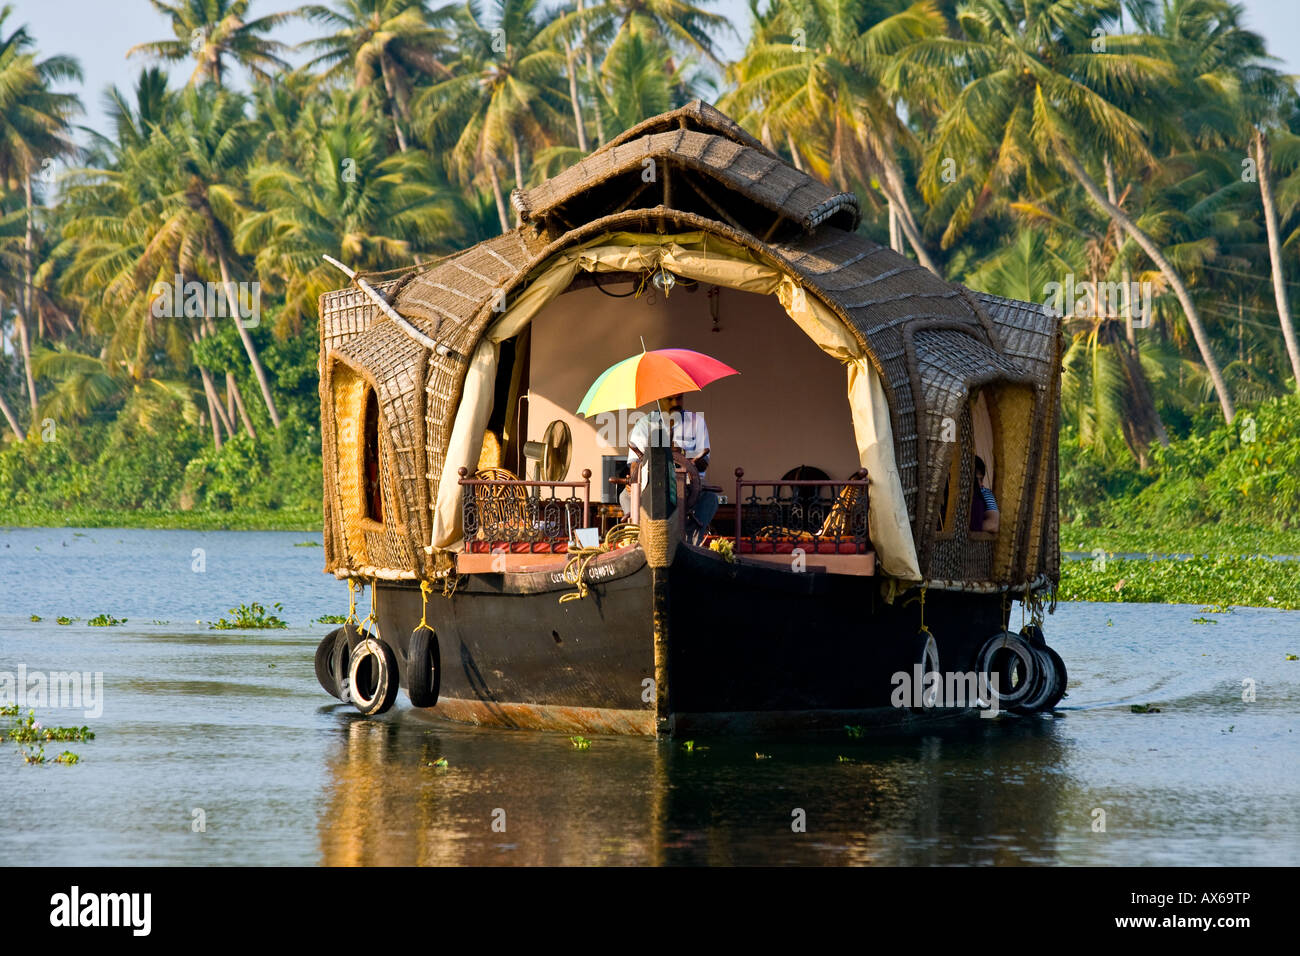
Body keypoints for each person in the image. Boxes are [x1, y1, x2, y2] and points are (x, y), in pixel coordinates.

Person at [620, 393, 719, 541]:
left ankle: (691, 540)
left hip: (690, 483)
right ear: (658, 400)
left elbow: (704, 464)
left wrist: (684, 456)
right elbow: (635, 465)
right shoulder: (643, 424)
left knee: (711, 498)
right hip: (652, 482)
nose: (675, 403)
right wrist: (635, 480)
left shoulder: (696, 422)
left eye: (679, 398)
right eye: (669, 399)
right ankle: (639, 538)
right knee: (626, 496)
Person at [969, 455, 999, 533]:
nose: (980, 483)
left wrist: (969, 528)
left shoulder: (985, 493)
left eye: (981, 479)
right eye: (976, 479)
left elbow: (993, 524)